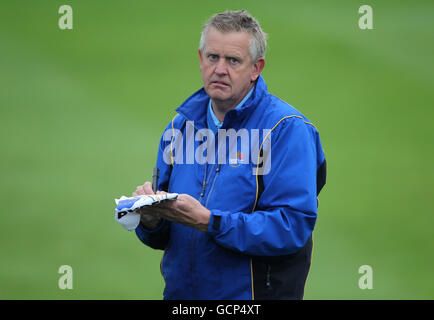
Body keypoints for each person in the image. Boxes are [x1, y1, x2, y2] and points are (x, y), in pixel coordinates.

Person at [131, 10, 326, 300]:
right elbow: (165, 235)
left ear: (256, 68)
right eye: (213, 57)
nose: (220, 69)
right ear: (200, 59)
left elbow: (292, 227)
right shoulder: (179, 128)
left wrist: (211, 221)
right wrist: (150, 219)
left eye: (233, 60)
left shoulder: (287, 131)